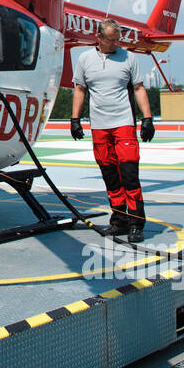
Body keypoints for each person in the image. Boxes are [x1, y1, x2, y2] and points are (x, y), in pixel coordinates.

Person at [69, 18, 156, 242]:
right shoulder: (85, 59)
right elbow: (80, 89)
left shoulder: (129, 58)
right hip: (99, 127)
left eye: (117, 39)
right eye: (110, 39)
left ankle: (136, 224)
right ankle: (119, 222)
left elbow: (138, 88)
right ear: (98, 38)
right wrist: (75, 119)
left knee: (129, 176)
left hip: (124, 124)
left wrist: (147, 118)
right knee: (110, 177)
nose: (115, 43)